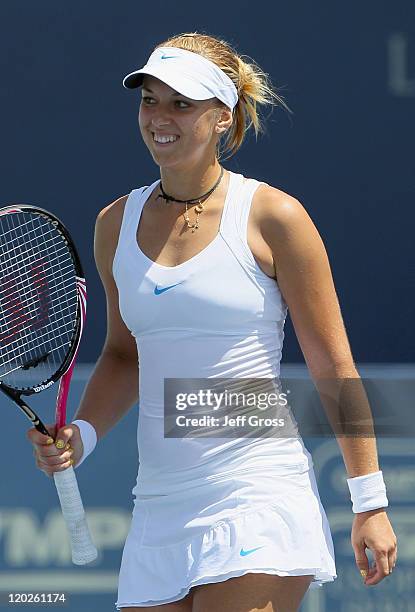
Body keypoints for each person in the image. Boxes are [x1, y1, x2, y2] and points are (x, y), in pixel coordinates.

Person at [28, 32, 397, 612]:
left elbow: (333, 367)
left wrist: (369, 502)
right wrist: (85, 434)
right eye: (150, 100)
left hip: (258, 490)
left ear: (222, 116)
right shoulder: (114, 223)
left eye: (182, 103)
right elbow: (125, 355)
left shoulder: (275, 216)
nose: (160, 118)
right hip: (159, 503)